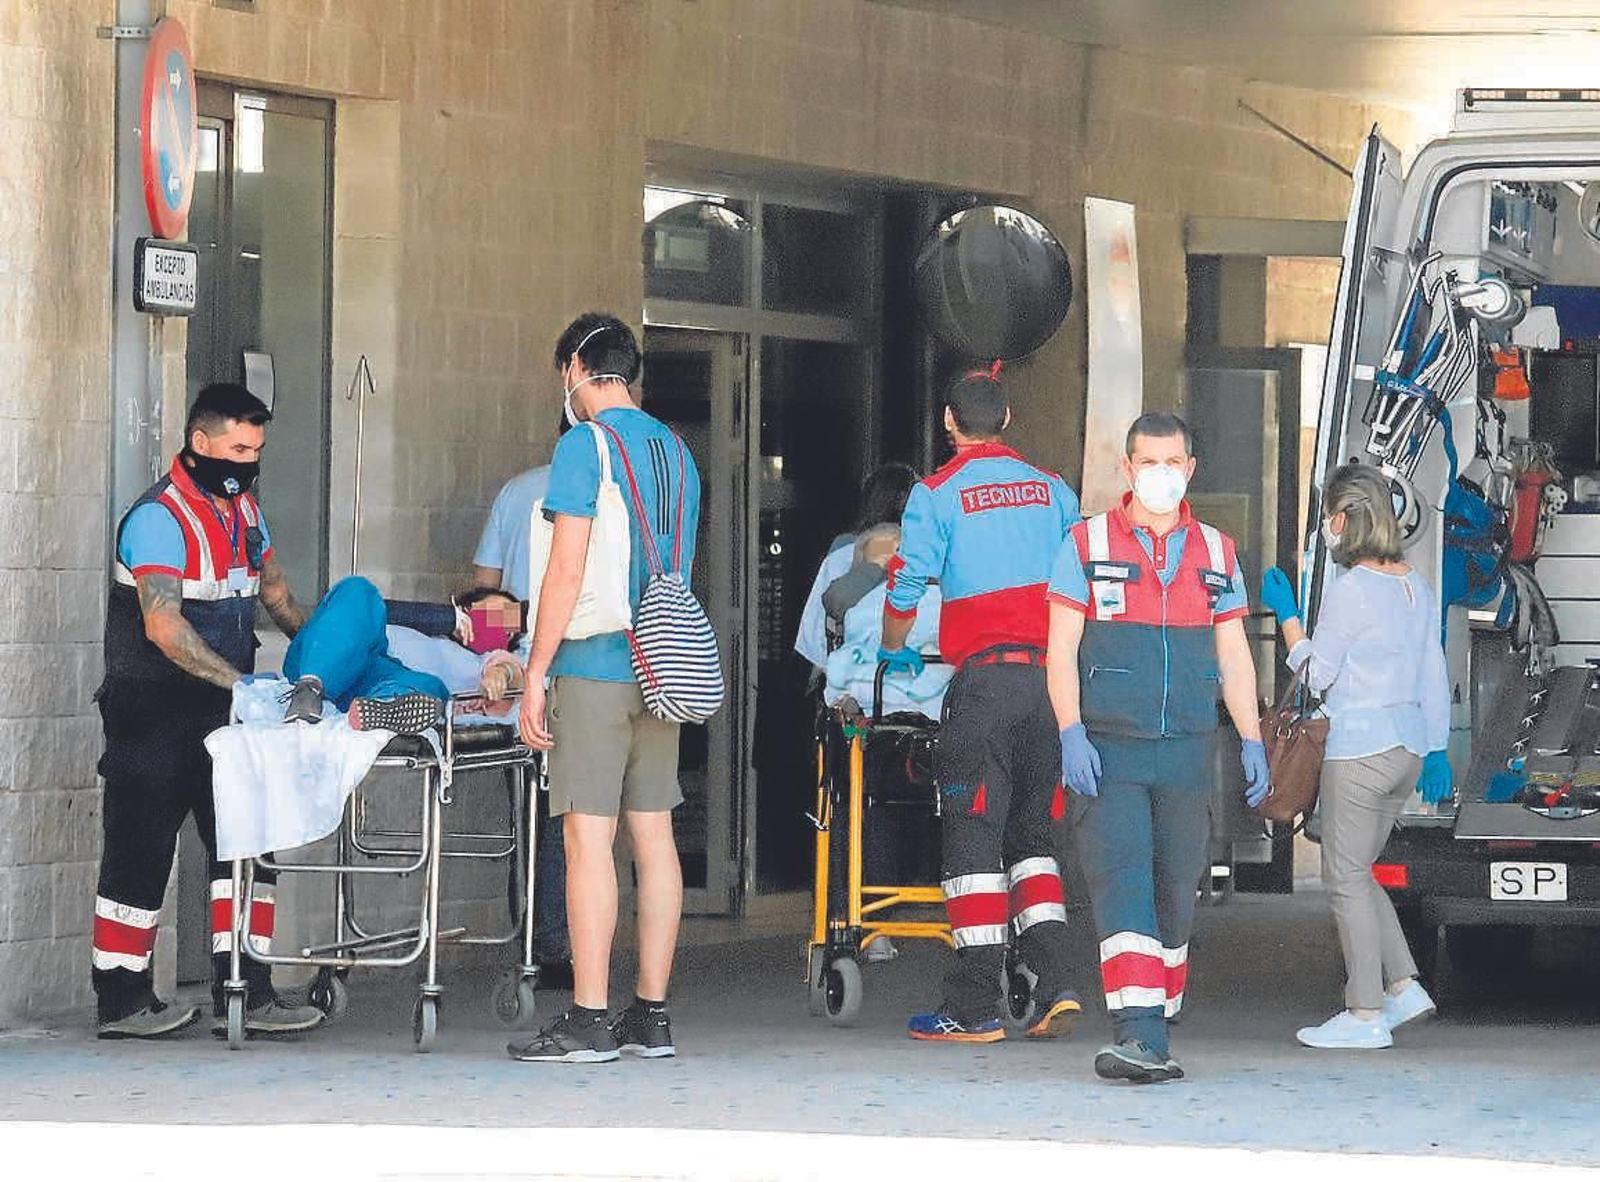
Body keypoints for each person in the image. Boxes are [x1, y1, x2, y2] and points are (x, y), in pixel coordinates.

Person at [93, 383, 324, 1039]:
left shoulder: (243, 511)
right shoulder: (157, 518)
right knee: (140, 856)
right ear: (200, 443)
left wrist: (318, 658)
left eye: (257, 449)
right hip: (153, 709)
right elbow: (163, 627)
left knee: (249, 842)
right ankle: (122, 1001)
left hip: (227, 709)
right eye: (240, 446)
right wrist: (240, 684)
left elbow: (274, 591)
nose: (250, 460)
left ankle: (246, 989)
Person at [1046, 411, 1267, 1083]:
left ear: (1190, 469)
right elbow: (1060, 650)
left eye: (1173, 464)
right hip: (1108, 750)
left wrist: (1252, 740)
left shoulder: (1218, 552)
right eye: (1149, 463)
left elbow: (1234, 656)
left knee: (1176, 891)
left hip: (1186, 750)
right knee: (1124, 885)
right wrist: (1069, 730)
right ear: (1128, 468)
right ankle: (1139, 1035)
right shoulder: (1084, 545)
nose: (1161, 475)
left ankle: (1158, 1003)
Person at [511, 312, 702, 1064]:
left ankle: (589, 1019)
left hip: (592, 666)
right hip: (662, 665)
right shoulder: (677, 452)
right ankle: (650, 1016)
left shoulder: (583, 446)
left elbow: (566, 568)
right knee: (653, 836)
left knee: (587, 837)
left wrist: (533, 671)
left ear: (576, 369)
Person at [882, 365, 1084, 1043]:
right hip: (1049, 688)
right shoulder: (1055, 492)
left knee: (972, 848)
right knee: (1032, 843)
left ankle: (972, 1008)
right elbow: (1081, 588)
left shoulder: (934, 495)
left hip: (984, 688)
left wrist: (892, 650)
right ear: (1006, 420)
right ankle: (1053, 983)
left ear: (948, 423)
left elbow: (905, 589)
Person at [1260, 463, 1450, 1050]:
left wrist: (1288, 617)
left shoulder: (1352, 590)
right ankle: (1404, 985)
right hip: (1409, 748)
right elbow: (1433, 671)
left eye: (1329, 516)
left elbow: (1319, 672)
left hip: (1360, 749)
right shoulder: (1415, 585)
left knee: (1342, 880)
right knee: (1361, 872)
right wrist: (1438, 745)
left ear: (1346, 519)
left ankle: (1365, 1011)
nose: (1326, 526)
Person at [795, 463, 925, 962]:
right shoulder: (938, 559)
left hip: (860, 714)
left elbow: (815, 645)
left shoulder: (842, 559)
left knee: (850, 807)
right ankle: (892, 917)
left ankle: (844, 914)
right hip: (930, 713)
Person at [473, 419, 575, 991]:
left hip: (515, 669)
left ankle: (536, 938)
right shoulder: (611, 499)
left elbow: (484, 588)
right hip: (579, 665)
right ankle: (560, 943)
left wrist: (494, 662)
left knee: (533, 811)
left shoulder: (517, 491)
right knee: (573, 816)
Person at [279, 578, 528, 730]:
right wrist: (446, 619)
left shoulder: (482, 660)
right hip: (339, 652)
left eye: (510, 630)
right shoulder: (410, 621)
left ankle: (380, 710)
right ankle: (311, 685)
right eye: (499, 614)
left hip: (384, 680)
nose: (504, 627)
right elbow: (371, 609)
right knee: (357, 588)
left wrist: (500, 675)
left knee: (430, 689)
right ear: (465, 609)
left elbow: (512, 672)